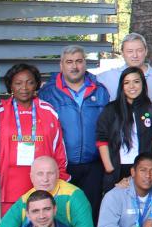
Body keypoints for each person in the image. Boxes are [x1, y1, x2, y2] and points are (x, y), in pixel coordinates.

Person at [39, 45, 111, 218]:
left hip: (93, 165)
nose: (74, 66)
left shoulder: (100, 91)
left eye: (79, 61)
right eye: (69, 62)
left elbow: (108, 128)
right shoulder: (48, 93)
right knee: (62, 213)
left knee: (90, 213)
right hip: (62, 165)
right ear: (61, 65)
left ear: (85, 63)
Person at [0, 64, 68, 214]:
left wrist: (59, 182)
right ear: (10, 85)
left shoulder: (48, 111)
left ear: (36, 84)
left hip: (42, 184)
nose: (24, 87)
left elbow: (59, 151)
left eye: (29, 82)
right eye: (18, 83)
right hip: (7, 187)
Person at [96, 67, 152, 191]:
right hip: (116, 169)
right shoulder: (111, 109)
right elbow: (102, 139)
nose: (132, 86)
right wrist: (109, 167)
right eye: (127, 82)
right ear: (122, 86)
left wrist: (146, 166)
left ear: (143, 84)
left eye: (136, 81)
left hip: (143, 170)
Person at [96, 32, 152, 108]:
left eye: (139, 51)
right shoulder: (108, 77)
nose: (135, 55)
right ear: (122, 53)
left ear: (146, 51)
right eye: (130, 51)